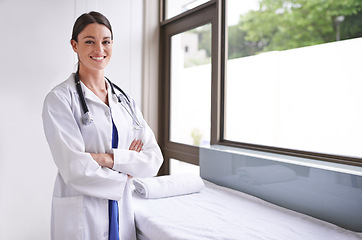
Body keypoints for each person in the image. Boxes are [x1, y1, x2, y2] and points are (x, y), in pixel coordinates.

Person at [42, 11, 163, 240]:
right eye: (89, 41)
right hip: (82, 215)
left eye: (106, 41)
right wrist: (127, 170)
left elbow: (153, 159)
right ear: (74, 45)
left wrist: (106, 159)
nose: (99, 49)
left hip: (122, 209)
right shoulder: (59, 99)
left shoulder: (125, 101)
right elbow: (75, 168)